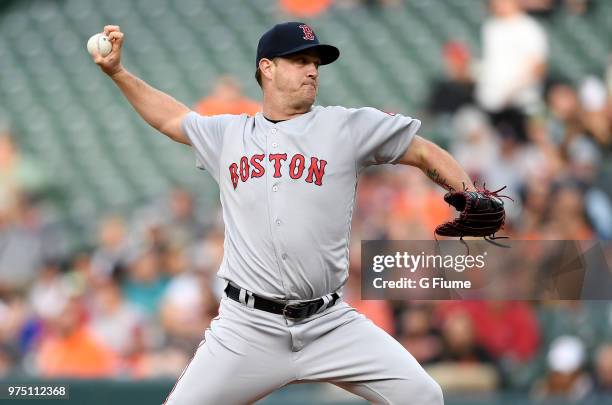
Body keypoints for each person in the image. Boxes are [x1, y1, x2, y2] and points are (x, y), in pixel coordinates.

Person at [90, 21, 484, 405]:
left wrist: (472, 197)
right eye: (299, 60)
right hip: (247, 327)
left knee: (423, 395)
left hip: (328, 322)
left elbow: (423, 152)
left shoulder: (345, 126)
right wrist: (119, 72)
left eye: (315, 62)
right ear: (267, 68)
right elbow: (171, 118)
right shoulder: (229, 135)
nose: (312, 69)